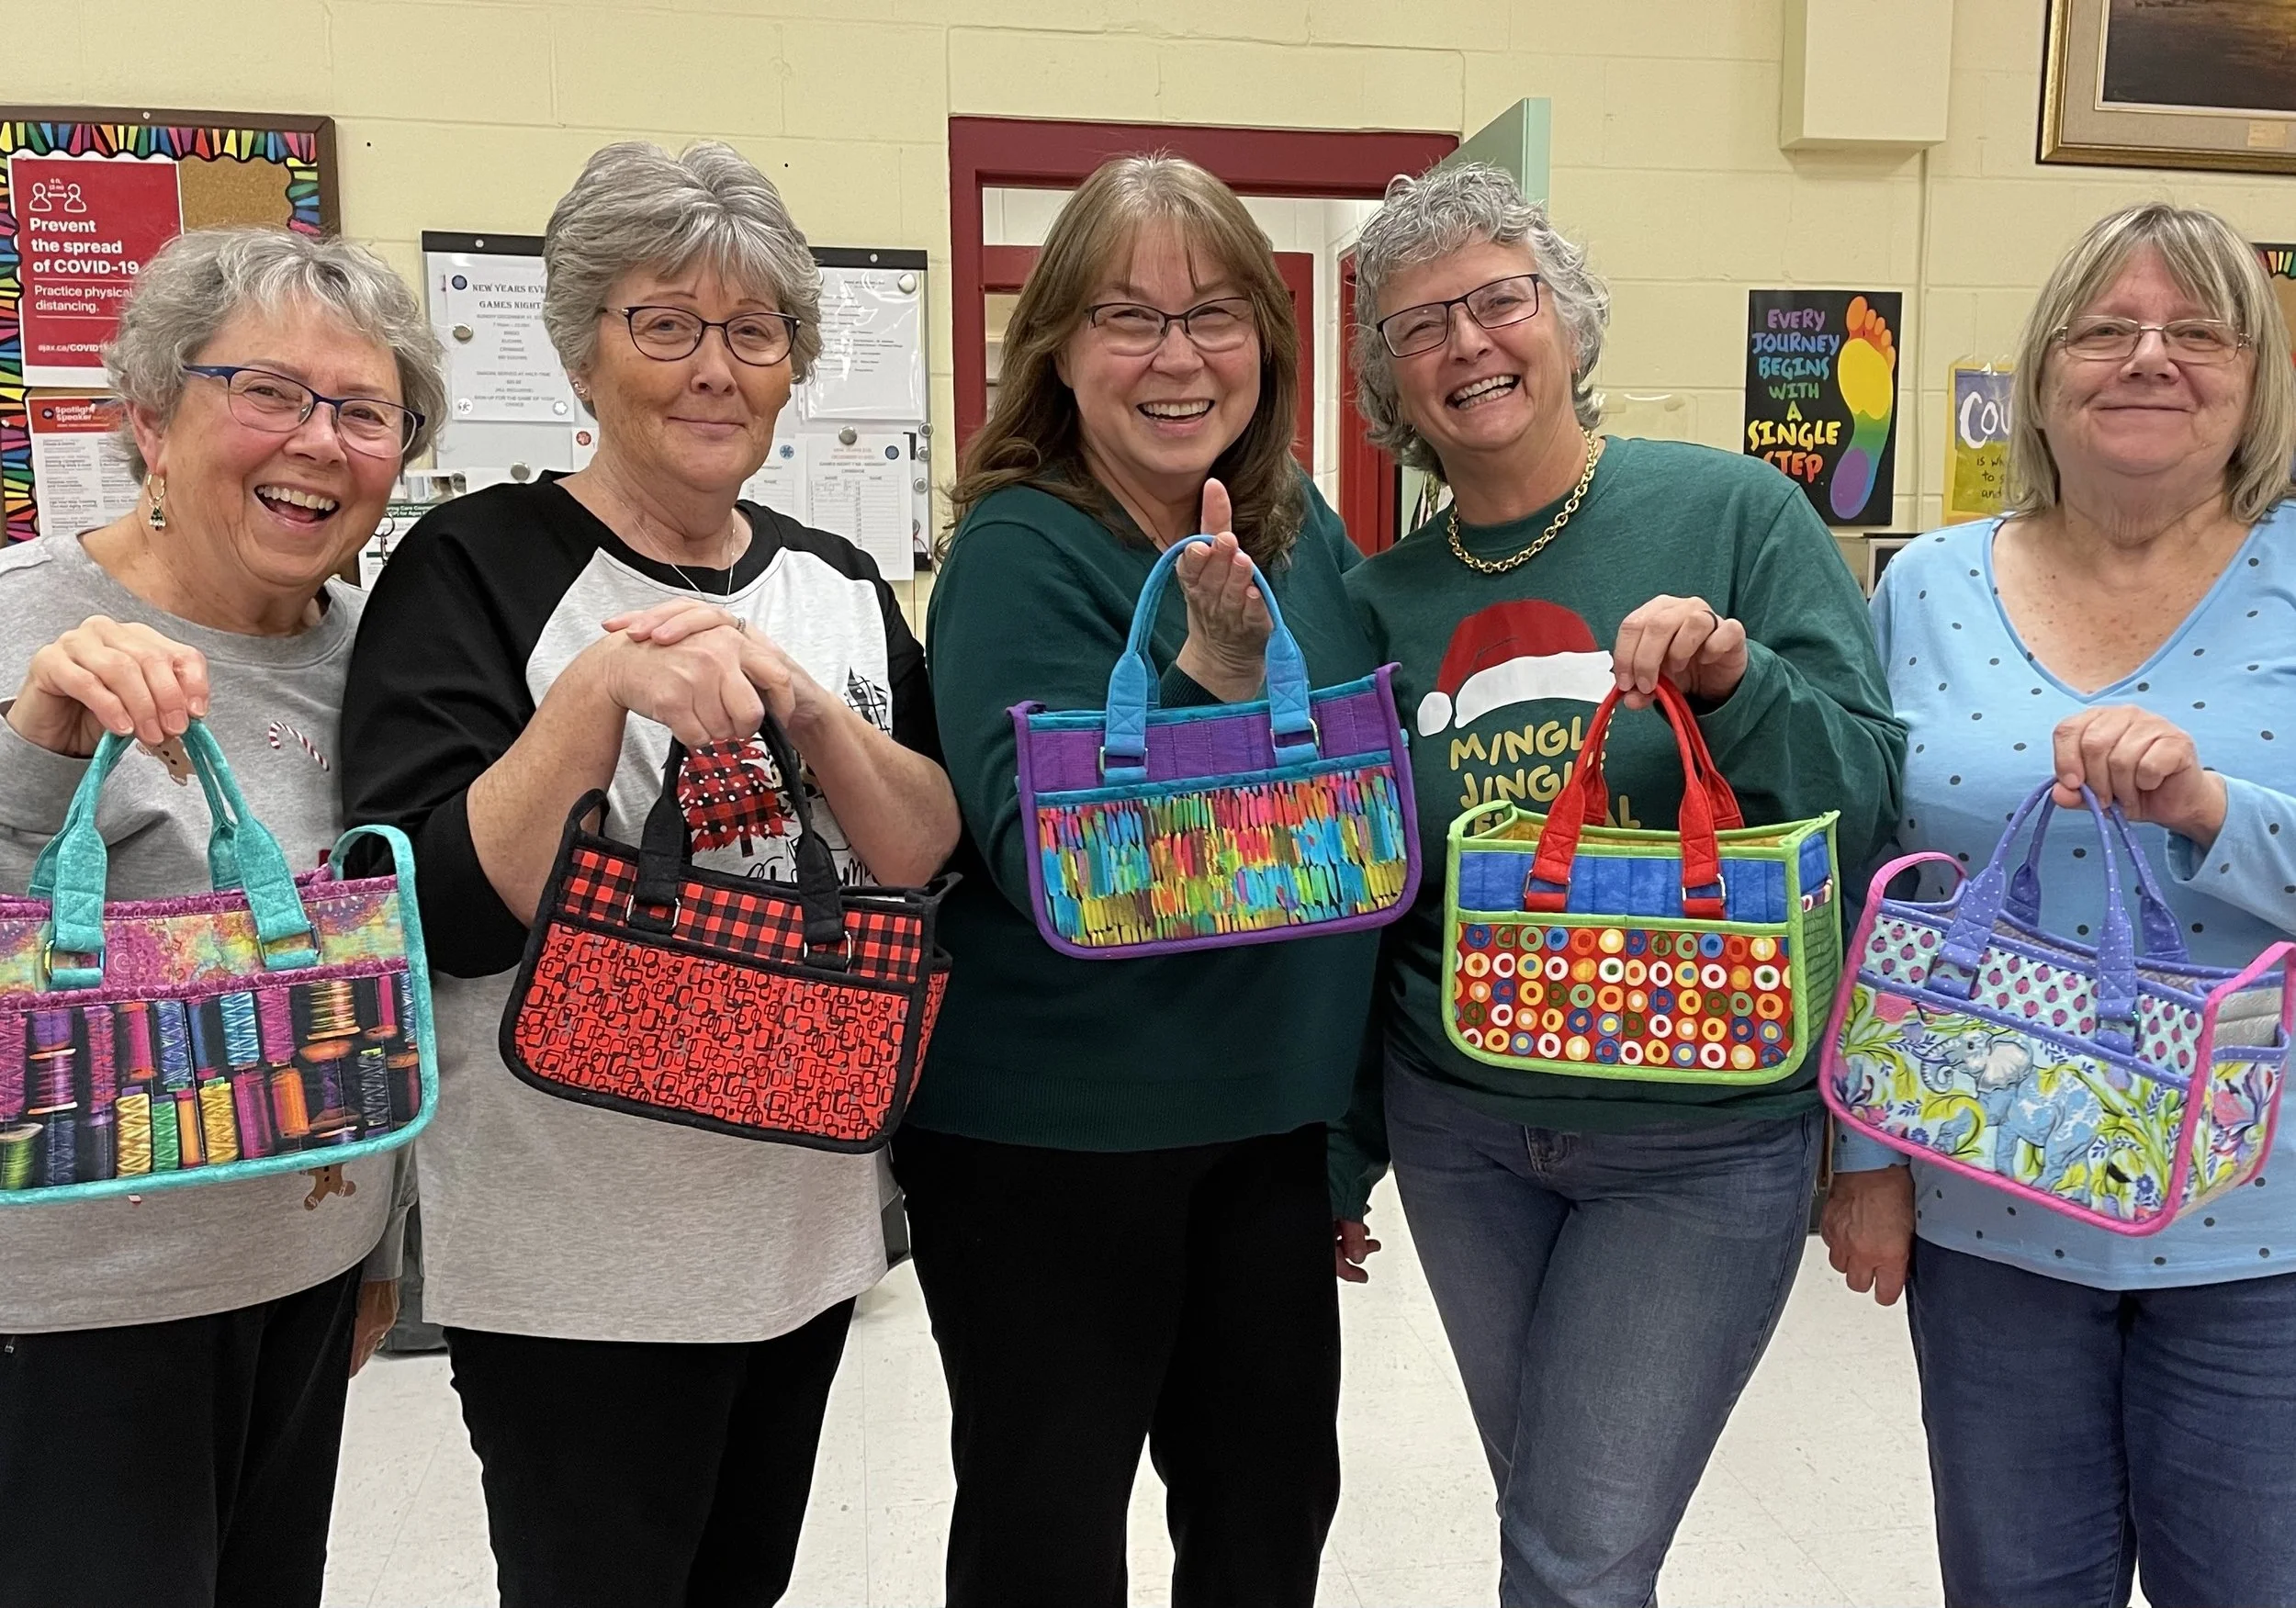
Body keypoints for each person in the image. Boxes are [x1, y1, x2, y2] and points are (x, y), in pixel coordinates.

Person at [338, 141, 958, 1608]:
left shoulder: (839, 580)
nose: (712, 369)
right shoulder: (472, 563)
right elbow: (439, 910)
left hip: (805, 1237)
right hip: (573, 1264)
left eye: (754, 332)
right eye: (662, 323)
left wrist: (809, 708)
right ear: (580, 347)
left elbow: (925, 848)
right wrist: (594, 698)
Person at [1333, 163, 1905, 1608]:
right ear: (1390, 383)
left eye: (1498, 299)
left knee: (1574, 1553)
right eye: (1419, 326)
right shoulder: (1379, 599)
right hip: (1458, 1120)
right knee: (1560, 1530)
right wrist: (1345, 1151)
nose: (1466, 342)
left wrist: (1737, 679)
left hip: (1700, 1138)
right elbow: (1367, 897)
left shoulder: (1732, 516)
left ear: (1567, 320)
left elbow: (1869, 797)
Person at [903, 153, 1382, 1608]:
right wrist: (1203, 672)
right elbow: (1037, 847)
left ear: (1270, 342)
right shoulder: (1021, 545)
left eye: (1217, 313)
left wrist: (1343, 1135)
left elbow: (1350, 848)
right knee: (1048, 1536)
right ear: (1056, 346)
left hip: (1265, 1132)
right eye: (1128, 316)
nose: (1179, 356)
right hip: (1051, 1140)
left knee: (1269, 1514)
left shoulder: (1301, 535)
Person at [1822, 200, 2296, 1607]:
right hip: (1989, 1210)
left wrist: (2215, 814)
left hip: (2263, 1229)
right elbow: (1873, 876)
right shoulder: (1927, 584)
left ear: (2255, 374)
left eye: (2196, 330)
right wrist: (1865, 1157)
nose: (2148, 358)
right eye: (2107, 329)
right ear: (2044, 371)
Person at [0, 227, 441, 1608]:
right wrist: (39, 747)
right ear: (148, 414)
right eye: (267, 392)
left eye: (364, 411)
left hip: (303, 1271)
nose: (318, 442)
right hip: (69, 1314)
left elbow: (386, 959)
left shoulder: (377, 656)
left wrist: (384, 1237)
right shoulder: (25, 623)